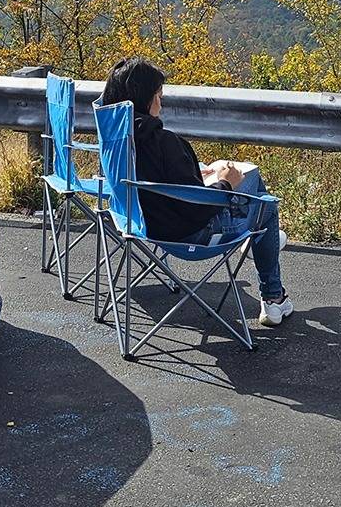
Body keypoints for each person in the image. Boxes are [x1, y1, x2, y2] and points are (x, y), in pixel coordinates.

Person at [99, 56, 292, 326]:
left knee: (254, 204)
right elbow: (195, 210)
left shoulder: (115, 143)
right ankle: (273, 297)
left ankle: (260, 249)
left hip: (141, 225)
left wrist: (191, 176)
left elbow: (152, 181)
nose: (160, 102)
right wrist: (224, 183)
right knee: (264, 202)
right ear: (147, 98)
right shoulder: (164, 142)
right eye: (159, 95)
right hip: (191, 234)